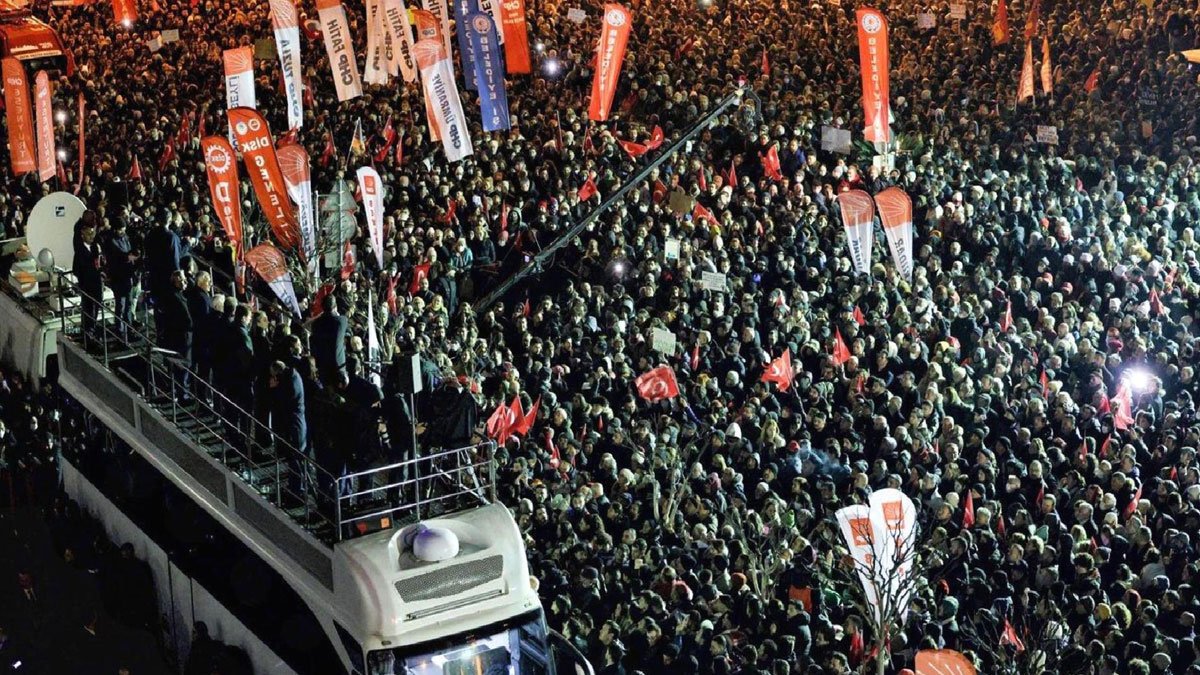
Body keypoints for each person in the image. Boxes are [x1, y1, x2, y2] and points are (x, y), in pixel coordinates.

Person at [268, 359, 308, 501]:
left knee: (295, 458)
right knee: (295, 458)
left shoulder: (288, 382)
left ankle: (297, 490)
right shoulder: (293, 377)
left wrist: (274, 389)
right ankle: (296, 487)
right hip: (295, 424)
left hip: (293, 426)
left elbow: (283, 403)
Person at [158, 270, 193, 397]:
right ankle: (183, 394)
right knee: (182, 365)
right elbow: (188, 319)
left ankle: (177, 391)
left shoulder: (171, 295)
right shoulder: (178, 299)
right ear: (176, 282)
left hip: (172, 335)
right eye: (182, 280)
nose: (185, 282)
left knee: (175, 366)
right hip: (181, 336)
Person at [102, 218, 138, 341]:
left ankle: (128, 329)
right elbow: (119, 255)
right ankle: (121, 332)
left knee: (128, 304)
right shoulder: (111, 241)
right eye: (121, 229)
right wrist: (130, 257)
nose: (123, 231)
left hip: (127, 275)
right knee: (121, 305)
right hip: (118, 276)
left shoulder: (124, 238)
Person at [71, 215, 104, 340]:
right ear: (82, 234)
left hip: (96, 280)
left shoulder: (95, 247)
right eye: (88, 234)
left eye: (93, 233)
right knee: (88, 307)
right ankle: (88, 332)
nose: (92, 236)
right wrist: (82, 221)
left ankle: (93, 328)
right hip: (87, 282)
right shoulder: (80, 248)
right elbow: (76, 235)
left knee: (97, 304)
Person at [310, 295, 348, 385]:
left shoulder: (316, 324)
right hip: (338, 366)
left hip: (322, 364)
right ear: (335, 307)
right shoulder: (342, 321)